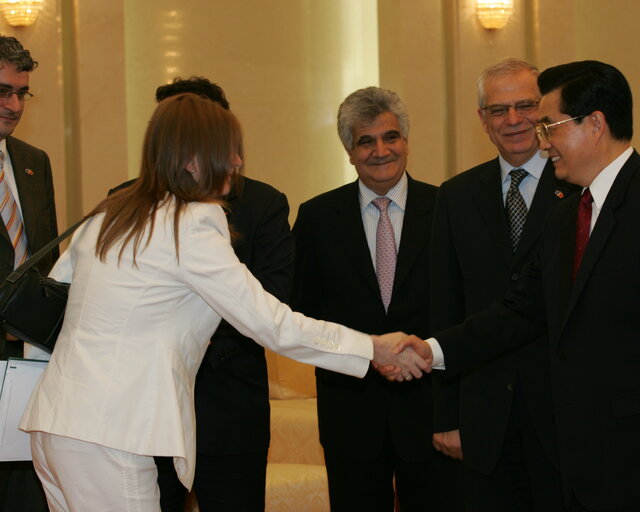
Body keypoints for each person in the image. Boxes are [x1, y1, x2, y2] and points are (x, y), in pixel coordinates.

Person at [18, 93, 428, 511]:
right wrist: (372, 347)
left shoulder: (111, 212)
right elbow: (272, 324)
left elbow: (51, 307)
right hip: (112, 432)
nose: (236, 161)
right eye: (228, 150)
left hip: (55, 424)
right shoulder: (192, 221)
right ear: (194, 158)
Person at [402, 60, 640, 511]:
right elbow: (520, 310)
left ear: (595, 124)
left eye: (550, 126)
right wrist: (430, 351)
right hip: (586, 455)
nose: (543, 142)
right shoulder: (570, 213)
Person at [110, 76, 293, 512]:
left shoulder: (263, 202)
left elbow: (275, 294)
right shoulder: (122, 202)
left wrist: (194, 332)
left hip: (227, 403)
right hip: (145, 407)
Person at [430, 58, 577, 511]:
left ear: (547, 111)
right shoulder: (454, 195)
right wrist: (445, 415)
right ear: (482, 120)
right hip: (483, 413)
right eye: (498, 110)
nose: (513, 120)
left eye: (526, 106)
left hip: (564, 410)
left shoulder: (578, 187)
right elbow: (444, 305)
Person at [290, 86, 438, 512]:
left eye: (390, 137)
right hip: (350, 416)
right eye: (365, 141)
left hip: (430, 413)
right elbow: (302, 313)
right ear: (349, 151)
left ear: (406, 142)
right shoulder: (316, 218)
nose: (380, 150)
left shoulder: (448, 208)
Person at [0, 35, 57, 512]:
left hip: (28, 360)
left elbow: (45, 259)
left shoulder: (34, 162)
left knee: (28, 491)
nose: (14, 104)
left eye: (22, 93)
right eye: (2, 91)